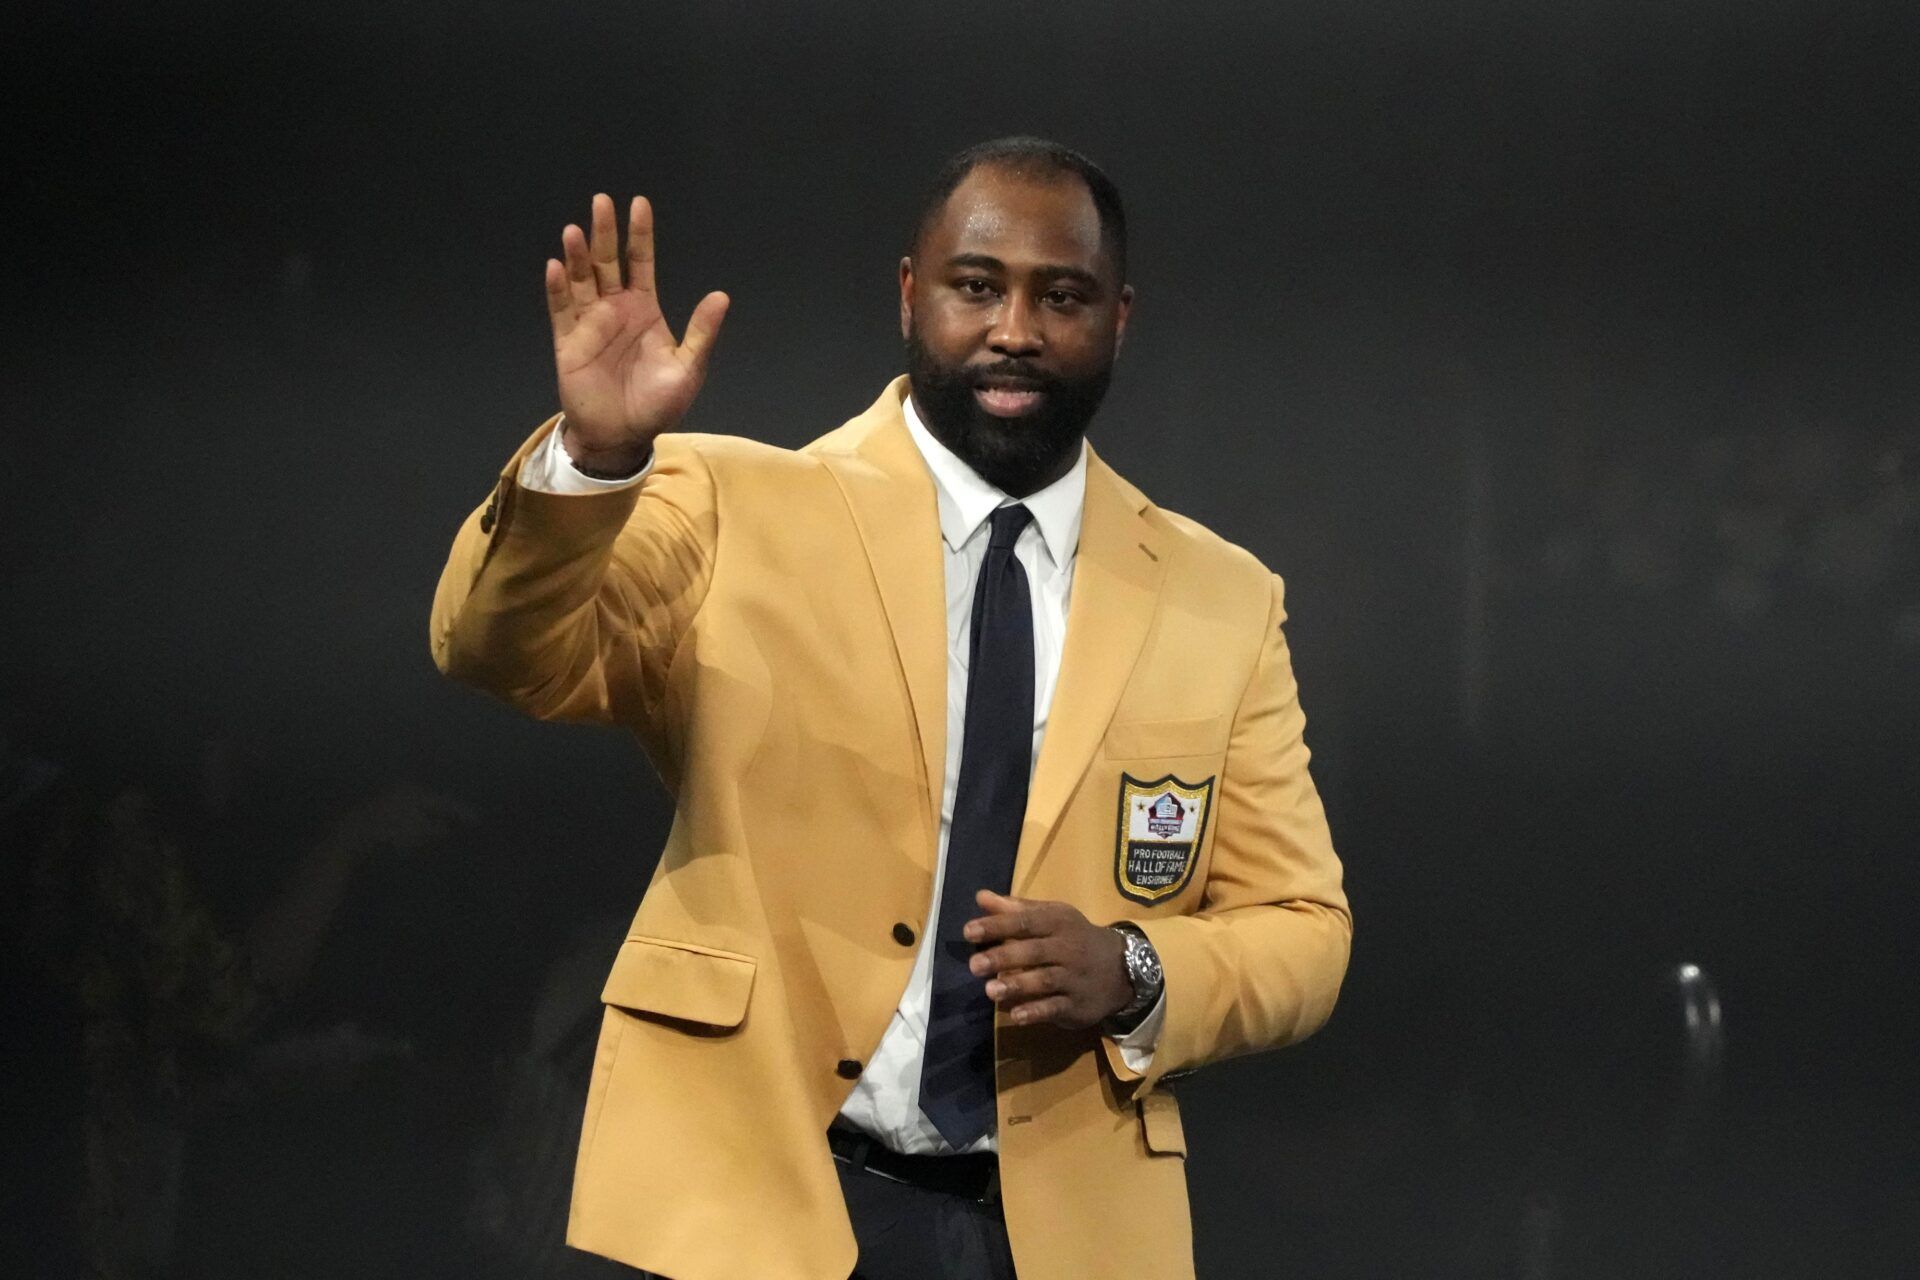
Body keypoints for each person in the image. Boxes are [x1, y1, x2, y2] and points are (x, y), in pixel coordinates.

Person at [430, 136, 1352, 1280]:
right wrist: (597, 457)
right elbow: (500, 651)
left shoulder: (1221, 598)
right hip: (753, 1201)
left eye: (1060, 295)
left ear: (1119, 318)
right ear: (911, 294)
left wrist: (1134, 968)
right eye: (977, 286)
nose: (1014, 327)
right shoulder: (730, 503)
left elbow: (1304, 925)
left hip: (1058, 1228)